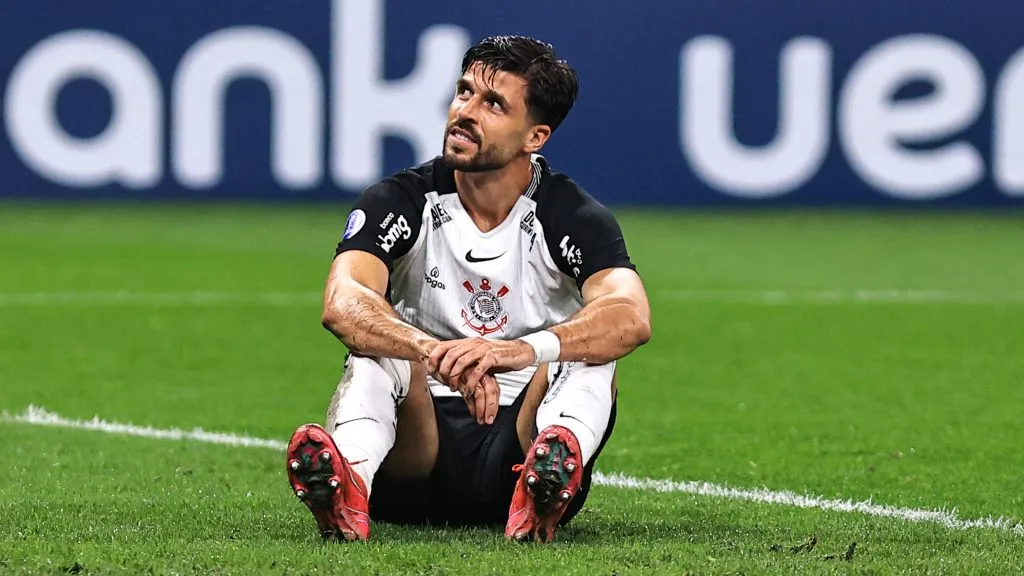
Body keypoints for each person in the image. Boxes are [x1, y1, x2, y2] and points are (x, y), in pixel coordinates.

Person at [285, 34, 651, 543]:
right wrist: (432, 350)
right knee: (376, 343)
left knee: (594, 348)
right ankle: (349, 480)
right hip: (414, 456)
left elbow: (630, 316)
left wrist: (519, 351)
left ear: (535, 137)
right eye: (463, 92)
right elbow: (342, 302)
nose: (465, 112)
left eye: (493, 103)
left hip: (520, 449)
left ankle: (551, 469)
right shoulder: (402, 199)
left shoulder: (571, 214)